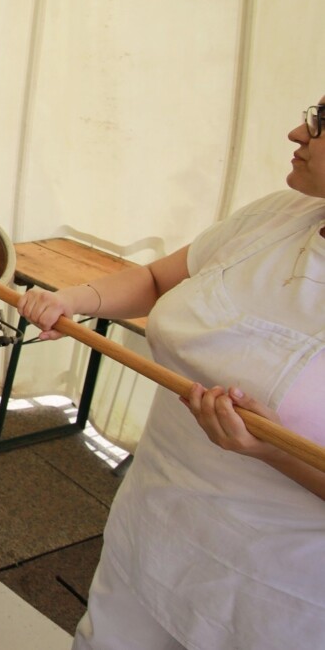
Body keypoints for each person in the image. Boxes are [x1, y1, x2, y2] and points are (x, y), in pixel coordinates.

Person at [17, 100, 325, 649]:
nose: (297, 130)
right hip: (158, 519)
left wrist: (271, 450)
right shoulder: (280, 214)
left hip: (277, 589)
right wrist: (73, 300)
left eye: (323, 122)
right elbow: (160, 279)